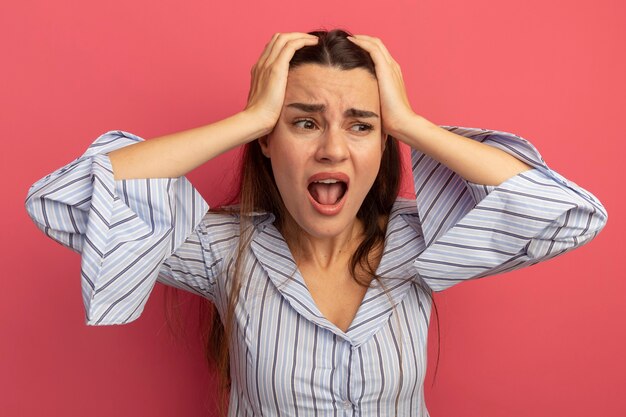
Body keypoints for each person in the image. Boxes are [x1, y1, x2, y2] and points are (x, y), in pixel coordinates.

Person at [25, 29, 607, 416]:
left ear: (384, 145)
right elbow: (60, 201)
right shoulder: (224, 249)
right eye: (304, 123)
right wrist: (251, 116)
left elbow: (571, 216)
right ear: (268, 144)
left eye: (360, 125)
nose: (332, 148)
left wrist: (408, 121)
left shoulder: (421, 239)